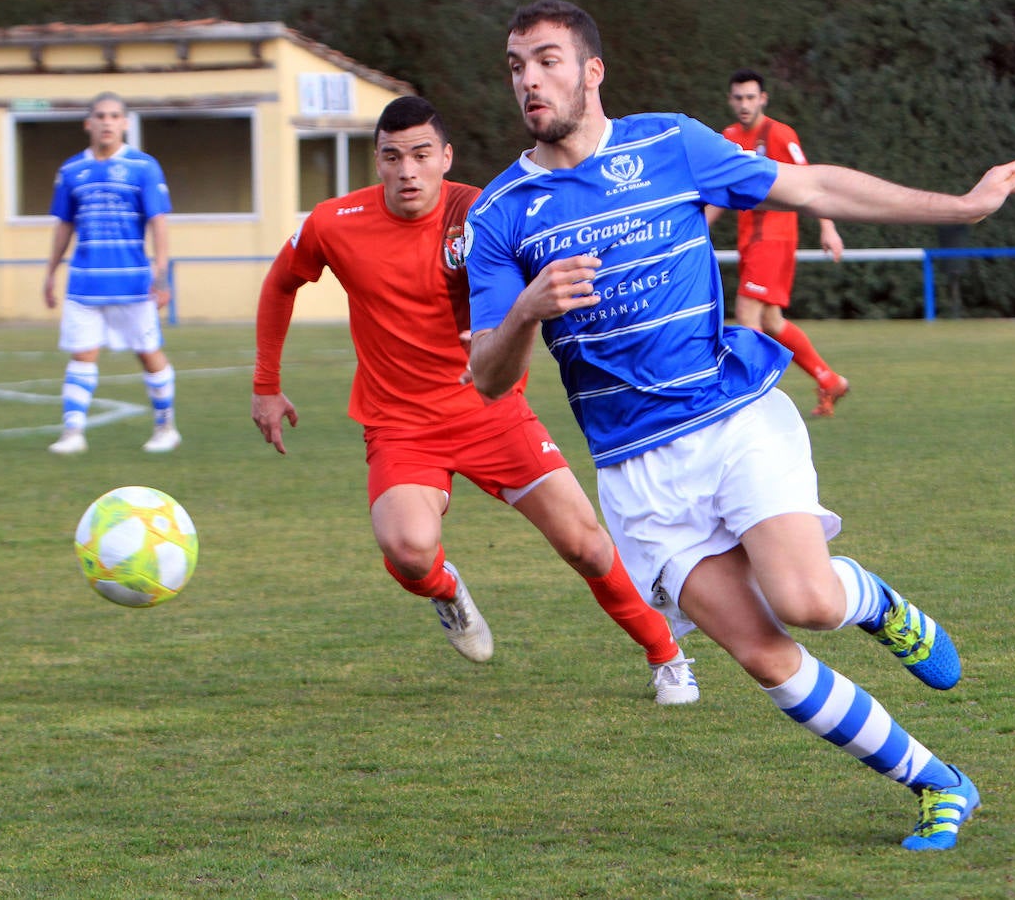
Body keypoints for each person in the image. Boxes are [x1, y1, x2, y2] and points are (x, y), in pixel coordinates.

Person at [465, 0, 1015, 850]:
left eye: (547, 60)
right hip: (634, 471)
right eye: (516, 65)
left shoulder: (670, 143)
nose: (529, 80)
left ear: (592, 71)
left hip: (728, 418)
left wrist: (961, 208)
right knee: (762, 655)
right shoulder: (501, 213)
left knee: (808, 603)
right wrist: (525, 311)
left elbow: (812, 185)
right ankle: (938, 782)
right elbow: (488, 374)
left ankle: (871, 600)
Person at [250, 96, 699, 705]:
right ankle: (445, 589)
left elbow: (541, 273)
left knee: (587, 544)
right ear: (376, 161)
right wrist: (265, 385)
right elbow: (281, 282)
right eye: (392, 157)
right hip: (401, 425)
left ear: (445, 158)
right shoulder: (335, 221)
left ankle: (666, 654)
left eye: (421, 155)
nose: (407, 171)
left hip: (492, 412)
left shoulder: (486, 210)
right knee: (408, 549)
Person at [42, 91, 180, 455]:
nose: (107, 122)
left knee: (149, 353)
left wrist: (161, 274)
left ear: (125, 123)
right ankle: (73, 433)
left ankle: (166, 425)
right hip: (85, 282)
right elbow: (63, 226)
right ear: (88, 123)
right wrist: (50, 272)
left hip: (133, 282)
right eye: (100, 116)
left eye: (114, 116)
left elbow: (158, 222)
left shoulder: (143, 167)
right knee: (82, 355)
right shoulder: (72, 170)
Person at [706, 69, 849, 416]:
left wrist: (827, 227)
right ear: (730, 100)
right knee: (771, 320)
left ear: (763, 99)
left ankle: (754, 405)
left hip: (773, 238)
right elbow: (718, 193)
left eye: (751, 97)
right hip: (750, 240)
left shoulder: (780, 134)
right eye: (738, 97)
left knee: (746, 314)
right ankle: (828, 378)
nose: (744, 104)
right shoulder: (728, 137)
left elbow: (811, 182)